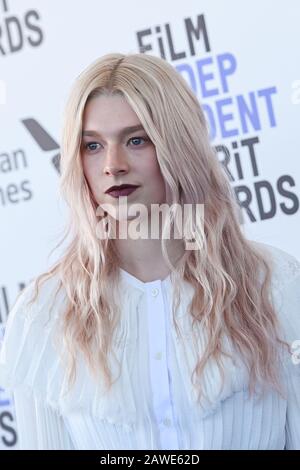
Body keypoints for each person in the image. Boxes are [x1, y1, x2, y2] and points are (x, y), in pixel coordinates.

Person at [0, 52, 300, 450]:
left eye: (136, 140)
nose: (113, 165)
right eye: (92, 145)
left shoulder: (276, 283)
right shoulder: (44, 312)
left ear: (179, 145)